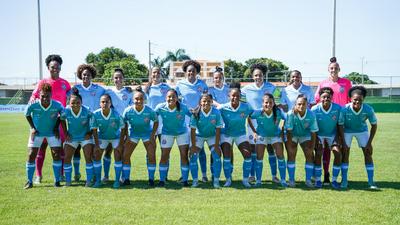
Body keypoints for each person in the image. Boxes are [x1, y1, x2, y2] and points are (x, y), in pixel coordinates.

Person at [30, 54, 71, 184]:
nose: (55, 69)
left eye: (58, 67)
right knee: (41, 148)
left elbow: (72, 98)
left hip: (59, 122)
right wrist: (33, 101)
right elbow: (33, 97)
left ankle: (61, 174)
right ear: (48, 67)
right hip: (43, 122)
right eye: (53, 67)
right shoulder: (43, 82)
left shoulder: (65, 84)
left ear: (60, 68)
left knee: (60, 149)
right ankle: (38, 175)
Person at [315, 57, 352, 184]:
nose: (333, 70)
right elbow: (317, 100)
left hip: (341, 120)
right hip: (326, 119)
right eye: (331, 68)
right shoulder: (323, 83)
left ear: (339, 69)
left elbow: (350, 100)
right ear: (328, 70)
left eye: (336, 68)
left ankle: (342, 177)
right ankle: (325, 174)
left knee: (341, 149)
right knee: (323, 150)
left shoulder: (346, 82)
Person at [242, 63, 279, 184]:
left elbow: (279, 101)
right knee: (254, 149)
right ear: (252, 76)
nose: (258, 77)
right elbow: (241, 103)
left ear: (264, 76)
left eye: (260, 75)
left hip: (268, 121)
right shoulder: (246, 89)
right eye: (256, 75)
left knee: (270, 149)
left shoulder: (272, 87)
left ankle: (274, 176)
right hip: (252, 122)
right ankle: (252, 175)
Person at [24, 83, 64, 189]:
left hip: (52, 133)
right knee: (31, 154)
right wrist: (32, 127)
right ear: (39, 95)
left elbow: (62, 115)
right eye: (42, 96)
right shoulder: (33, 104)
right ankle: (29, 181)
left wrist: (56, 127)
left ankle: (57, 181)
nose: (45, 98)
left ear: (51, 95)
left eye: (47, 96)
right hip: (37, 133)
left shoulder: (57, 104)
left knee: (56, 155)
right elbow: (27, 114)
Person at [175, 60, 209, 182]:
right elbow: (175, 99)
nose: (191, 73)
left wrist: (198, 109)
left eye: (193, 71)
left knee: (200, 149)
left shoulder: (202, 84)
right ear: (185, 72)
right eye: (189, 71)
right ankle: (184, 174)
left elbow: (206, 100)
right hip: (185, 121)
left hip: (200, 120)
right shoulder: (179, 85)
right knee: (185, 149)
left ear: (197, 72)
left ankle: (204, 175)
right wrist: (185, 109)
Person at [338, 86, 378, 189]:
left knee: (368, 153)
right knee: (345, 153)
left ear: (363, 99)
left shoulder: (368, 109)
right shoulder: (344, 109)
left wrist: (369, 143)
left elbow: (374, 125)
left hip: (362, 131)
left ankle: (371, 182)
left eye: (360, 99)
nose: (357, 101)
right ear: (351, 99)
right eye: (355, 99)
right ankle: (344, 180)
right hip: (347, 131)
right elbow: (340, 125)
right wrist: (343, 142)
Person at [71, 64, 105, 182]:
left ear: (92, 76)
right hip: (77, 124)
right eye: (84, 74)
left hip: (93, 125)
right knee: (76, 150)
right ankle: (76, 173)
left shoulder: (99, 89)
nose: (86, 76)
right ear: (81, 75)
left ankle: (95, 175)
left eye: (88, 75)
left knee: (90, 151)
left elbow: (110, 94)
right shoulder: (75, 89)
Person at [122, 87, 159, 186]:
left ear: (144, 100)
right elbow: (124, 123)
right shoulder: (128, 110)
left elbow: (156, 121)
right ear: (133, 99)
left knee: (151, 155)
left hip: (147, 134)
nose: (138, 101)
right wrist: (127, 136)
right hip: (133, 134)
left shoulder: (149, 110)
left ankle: (151, 179)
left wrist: (152, 135)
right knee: (126, 155)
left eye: (141, 99)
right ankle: (126, 179)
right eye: (136, 99)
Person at [155, 89, 192, 187]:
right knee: (164, 156)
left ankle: (184, 180)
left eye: (173, 96)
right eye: (169, 96)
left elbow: (193, 115)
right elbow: (152, 115)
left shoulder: (183, 107)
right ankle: (162, 180)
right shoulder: (160, 107)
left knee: (184, 156)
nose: (171, 98)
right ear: (165, 98)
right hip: (167, 133)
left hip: (182, 133)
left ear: (177, 98)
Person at [219, 82, 254, 187]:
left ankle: (245, 180)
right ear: (229, 96)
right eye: (233, 95)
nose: (235, 97)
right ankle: (228, 179)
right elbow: (213, 114)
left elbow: (254, 115)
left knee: (248, 155)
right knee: (226, 156)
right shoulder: (223, 108)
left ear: (240, 97)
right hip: (226, 134)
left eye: (237, 96)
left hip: (240, 134)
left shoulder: (246, 107)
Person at [249, 93, 287, 187]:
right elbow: (249, 118)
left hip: (275, 135)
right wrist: (254, 132)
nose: (268, 105)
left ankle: (282, 180)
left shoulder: (278, 111)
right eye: (266, 103)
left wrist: (282, 131)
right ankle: (258, 181)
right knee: (259, 157)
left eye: (270, 102)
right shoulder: (258, 112)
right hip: (262, 135)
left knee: (280, 155)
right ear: (262, 103)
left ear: (274, 103)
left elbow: (287, 118)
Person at [102, 68, 133, 182]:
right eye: (116, 77)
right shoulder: (108, 92)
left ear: (123, 79)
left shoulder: (129, 92)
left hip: (124, 127)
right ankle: (105, 175)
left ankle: (121, 176)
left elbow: (132, 108)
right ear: (112, 79)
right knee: (108, 150)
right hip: (110, 126)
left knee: (120, 151)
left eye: (120, 77)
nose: (118, 79)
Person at [61, 88, 94, 187]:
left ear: (81, 102)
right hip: (72, 138)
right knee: (67, 158)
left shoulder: (87, 110)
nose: (75, 104)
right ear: (69, 103)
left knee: (88, 157)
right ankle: (68, 181)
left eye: (78, 102)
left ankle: (89, 180)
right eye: (73, 103)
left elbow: (93, 120)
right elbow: (61, 119)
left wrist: (90, 132)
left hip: (85, 137)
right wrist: (66, 132)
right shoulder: (66, 110)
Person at [90, 94, 125, 188]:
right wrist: (97, 145)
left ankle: (117, 181)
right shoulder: (96, 114)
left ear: (110, 103)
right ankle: (98, 180)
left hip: (115, 137)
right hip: (102, 137)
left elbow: (123, 129)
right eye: (103, 102)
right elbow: (94, 130)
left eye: (107, 102)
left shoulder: (116, 114)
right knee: (97, 155)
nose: (105, 103)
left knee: (117, 155)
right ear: (99, 103)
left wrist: (121, 144)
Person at [189, 93, 223, 188]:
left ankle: (216, 181)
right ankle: (195, 181)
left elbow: (218, 129)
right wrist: (193, 146)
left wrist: (216, 146)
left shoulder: (216, 112)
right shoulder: (196, 113)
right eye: (204, 101)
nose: (206, 103)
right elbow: (192, 130)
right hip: (199, 136)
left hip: (212, 136)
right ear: (200, 102)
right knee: (193, 156)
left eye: (209, 101)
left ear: (212, 102)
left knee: (216, 155)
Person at [311, 87, 342, 189]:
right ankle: (318, 179)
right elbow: (313, 127)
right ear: (319, 98)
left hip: (332, 135)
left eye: (328, 97)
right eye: (323, 97)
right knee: (319, 152)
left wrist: (338, 138)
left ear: (331, 98)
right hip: (319, 134)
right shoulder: (315, 109)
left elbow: (339, 124)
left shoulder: (337, 108)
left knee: (337, 153)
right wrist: (316, 140)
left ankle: (334, 179)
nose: (326, 99)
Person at [285, 95, 318, 188]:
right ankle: (291, 180)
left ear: (307, 104)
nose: (301, 106)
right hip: (292, 135)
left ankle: (308, 180)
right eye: (299, 104)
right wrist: (289, 144)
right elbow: (289, 131)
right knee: (291, 154)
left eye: (304, 104)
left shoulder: (311, 114)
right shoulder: (291, 114)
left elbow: (313, 132)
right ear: (295, 104)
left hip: (305, 135)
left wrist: (312, 146)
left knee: (309, 154)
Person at [144, 67, 171, 180]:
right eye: (154, 72)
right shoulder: (146, 88)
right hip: (151, 122)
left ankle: (164, 176)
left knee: (165, 150)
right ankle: (151, 175)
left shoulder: (166, 87)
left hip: (164, 122)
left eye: (158, 72)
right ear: (151, 74)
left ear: (161, 74)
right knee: (150, 150)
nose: (156, 74)